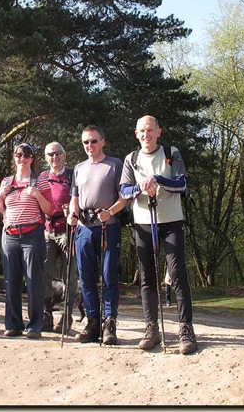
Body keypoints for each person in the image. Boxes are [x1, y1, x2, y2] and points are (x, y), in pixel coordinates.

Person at [120, 115, 197, 354]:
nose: (146, 134)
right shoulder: (131, 159)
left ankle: (186, 329)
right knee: (147, 276)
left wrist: (158, 180)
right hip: (143, 222)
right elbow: (123, 190)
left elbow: (182, 184)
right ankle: (151, 328)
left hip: (172, 221)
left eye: (150, 130)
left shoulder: (171, 153)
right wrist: (140, 187)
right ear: (136, 134)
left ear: (159, 132)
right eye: (142, 131)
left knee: (178, 273)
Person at [66, 125, 127, 345]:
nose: (89, 146)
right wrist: (73, 214)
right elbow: (75, 196)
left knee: (109, 274)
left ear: (103, 141)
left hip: (107, 225)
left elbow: (125, 196)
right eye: (85, 142)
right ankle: (92, 321)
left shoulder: (115, 164)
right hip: (84, 227)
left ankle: (109, 322)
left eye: (93, 141)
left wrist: (110, 212)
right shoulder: (79, 168)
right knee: (86, 277)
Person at [0, 143, 53, 339]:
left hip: (32, 235)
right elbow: (2, 209)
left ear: (32, 158)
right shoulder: (7, 181)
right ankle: (13, 324)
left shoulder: (40, 180)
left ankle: (35, 325)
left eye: (27, 155)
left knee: (33, 281)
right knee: (10, 281)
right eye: (19, 155)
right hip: (10, 235)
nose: (22, 158)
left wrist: (36, 194)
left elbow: (49, 209)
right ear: (14, 158)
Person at [40, 142, 78, 334]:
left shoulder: (72, 175)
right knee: (44, 273)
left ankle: (66, 316)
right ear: (46, 157)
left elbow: (80, 197)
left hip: (68, 231)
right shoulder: (42, 177)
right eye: (50, 155)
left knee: (69, 276)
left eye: (57, 154)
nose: (54, 158)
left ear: (64, 155)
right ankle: (46, 314)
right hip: (47, 230)